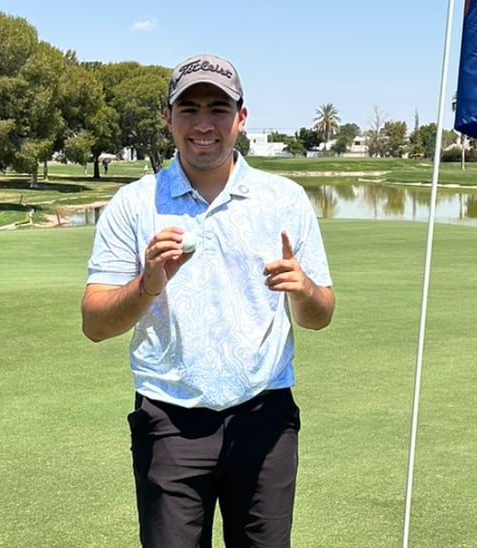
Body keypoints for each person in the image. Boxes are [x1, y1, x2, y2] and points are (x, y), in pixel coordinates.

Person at [80, 53, 335, 547]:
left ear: (241, 117)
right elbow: (94, 323)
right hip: (169, 419)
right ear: (168, 118)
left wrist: (304, 290)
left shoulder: (284, 199)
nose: (203, 124)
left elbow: (319, 315)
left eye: (218, 109)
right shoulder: (134, 204)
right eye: (189, 108)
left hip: (265, 416)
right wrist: (147, 285)